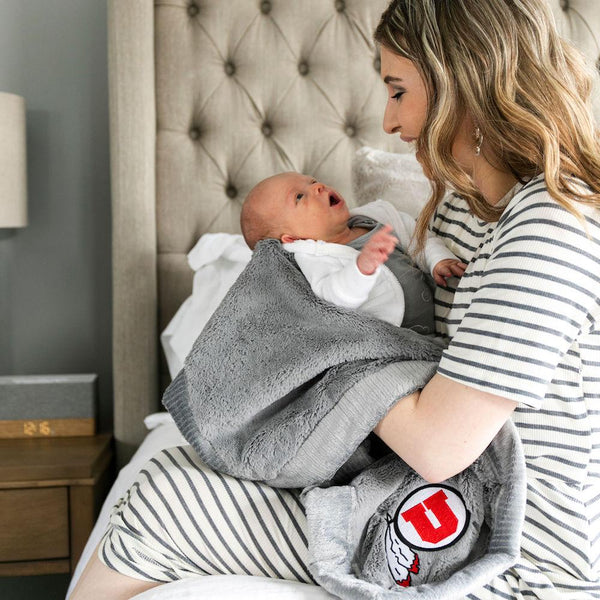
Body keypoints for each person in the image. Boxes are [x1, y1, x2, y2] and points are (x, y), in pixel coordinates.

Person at [70, 0, 600, 598]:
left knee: (165, 505)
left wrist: (305, 349)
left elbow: (438, 445)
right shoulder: (462, 207)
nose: (389, 122)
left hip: (517, 549)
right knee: (166, 474)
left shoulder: (550, 228)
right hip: (440, 489)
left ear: (462, 79)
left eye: (398, 91)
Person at [240, 171, 467, 332]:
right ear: (293, 239)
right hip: (393, 338)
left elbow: (417, 235)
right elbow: (332, 297)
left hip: (437, 328)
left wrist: (438, 259)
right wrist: (360, 270)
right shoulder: (315, 257)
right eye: (299, 196)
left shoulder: (375, 217)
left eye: (313, 181)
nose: (317, 187)